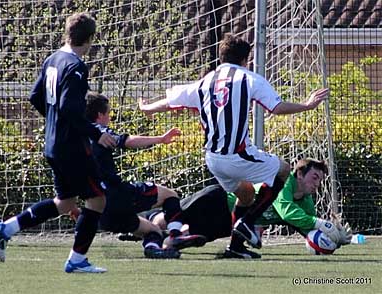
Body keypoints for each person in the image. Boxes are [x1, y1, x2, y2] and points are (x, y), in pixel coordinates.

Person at [139, 33, 330, 257]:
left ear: (221, 57)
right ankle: (246, 223)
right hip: (237, 156)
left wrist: (148, 108)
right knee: (284, 169)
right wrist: (307, 105)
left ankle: (236, 248)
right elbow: (276, 107)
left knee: (247, 194)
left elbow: (171, 102)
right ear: (245, 59)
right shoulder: (249, 78)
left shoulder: (204, 82)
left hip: (213, 159)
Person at [0, 13, 116, 274]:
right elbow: (70, 108)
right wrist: (95, 132)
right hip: (71, 147)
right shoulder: (77, 66)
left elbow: (35, 95)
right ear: (90, 39)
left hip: (52, 144)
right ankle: (77, 260)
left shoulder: (53, 59)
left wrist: (54, 121)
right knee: (98, 200)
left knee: (65, 203)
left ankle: (6, 229)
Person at [137, 158, 352, 258]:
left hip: (226, 224)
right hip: (219, 199)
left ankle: (159, 238)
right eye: (314, 177)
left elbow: (308, 231)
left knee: (192, 239)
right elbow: (287, 211)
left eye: (320, 180)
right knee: (167, 219)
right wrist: (319, 223)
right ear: (299, 174)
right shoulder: (285, 184)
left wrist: (333, 240)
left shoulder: (306, 203)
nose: (316, 183)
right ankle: (143, 224)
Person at [83, 92, 206, 258]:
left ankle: (153, 249)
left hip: (98, 209)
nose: (109, 118)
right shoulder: (99, 131)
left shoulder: (75, 135)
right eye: (108, 113)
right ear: (100, 115)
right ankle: (176, 235)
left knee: (152, 230)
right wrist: (160, 139)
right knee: (170, 195)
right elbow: (127, 141)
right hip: (116, 195)